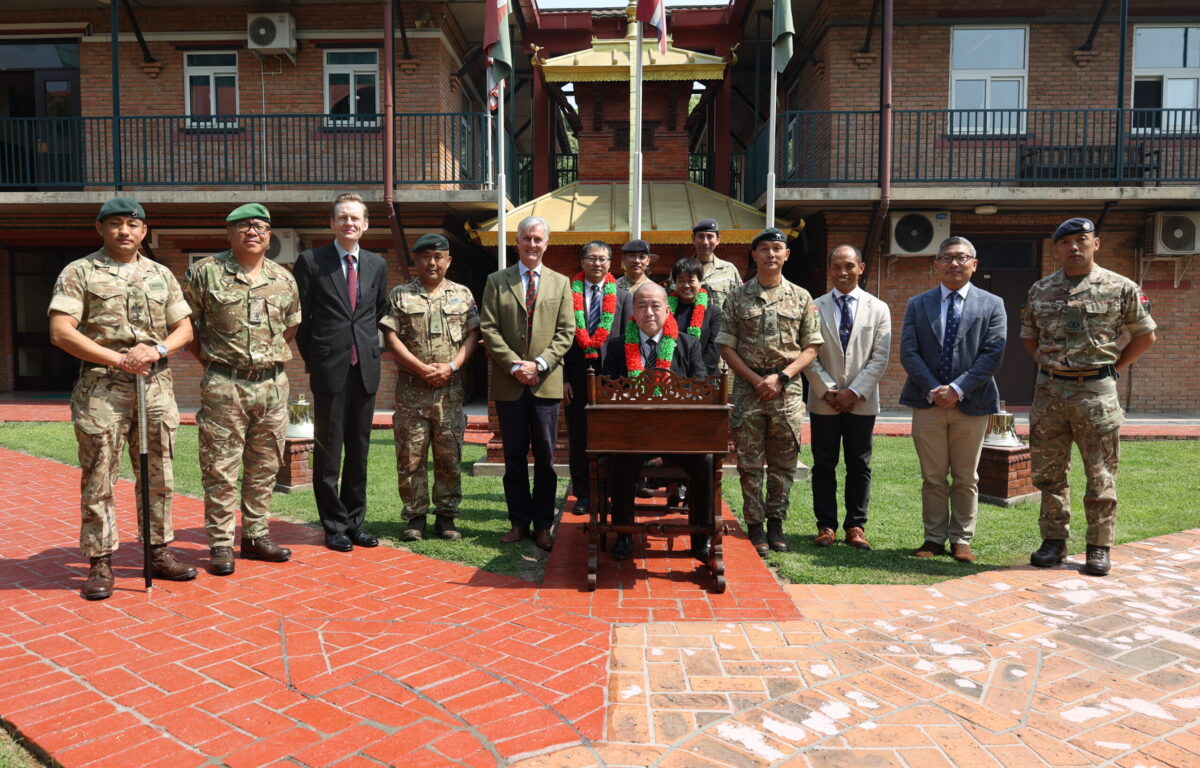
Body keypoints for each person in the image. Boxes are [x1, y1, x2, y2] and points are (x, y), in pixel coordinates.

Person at [48, 197, 197, 599]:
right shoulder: (79, 272)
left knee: (159, 475)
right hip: (102, 388)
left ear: (144, 231)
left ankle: (158, 552)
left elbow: (184, 328)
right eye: (114, 224)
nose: (124, 231)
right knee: (99, 475)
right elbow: (62, 331)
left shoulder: (161, 274)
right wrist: (119, 358)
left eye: (132, 224)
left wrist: (157, 350)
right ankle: (100, 562)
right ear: (100, 228)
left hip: (155, 386)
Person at [1023, 217, 1157, 577]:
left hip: (1096, 393)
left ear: (1096, 243)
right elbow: (1029, 336)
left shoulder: (1121, 287)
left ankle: (1098, 547)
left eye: (1081, 240)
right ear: (1056, 249)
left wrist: (1114, 367)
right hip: (1050, 392)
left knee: (1100, 474)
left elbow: (1145, 336)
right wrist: (1047, 364)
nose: (1074, 247)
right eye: (1065, 242)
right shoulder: (1040, 289)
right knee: (1049, 474)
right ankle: (1054, 541)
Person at [183, 203, 301, 575]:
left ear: (269, 235)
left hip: (271, 384)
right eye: (245, 226)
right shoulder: (205, 273)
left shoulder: (284, 278)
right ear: (229, 232)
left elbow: (290, 327)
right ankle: (220, 543)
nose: (254, 232)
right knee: (220, 467)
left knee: (265, 465)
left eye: (262, 227)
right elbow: (187, 328)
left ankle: (256, 534)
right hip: (224, 385)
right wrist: (216, 365)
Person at [899, 236, 1006, 564]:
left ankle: (961, 538)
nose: (954, 263)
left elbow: (993, 353)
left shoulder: (992, 304)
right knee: (932, 476)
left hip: (972, 404)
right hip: (927, 402)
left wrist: (957, 389)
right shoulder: (918, 304)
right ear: (936, 265)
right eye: (947, 258)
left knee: (966, 476)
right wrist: (935, 388)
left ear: (974, 264)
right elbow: (909, 352)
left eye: (962, 258)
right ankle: (933, 537)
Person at [717, 228, 823, 557]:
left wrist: (781, 377)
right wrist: (755, 379)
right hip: (750, 390)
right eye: (764, 249)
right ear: (754, 255)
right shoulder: (737, 297)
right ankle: (755, 526)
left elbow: (811, 347)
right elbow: (726, 346)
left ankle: (776, 525)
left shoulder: (802, 297)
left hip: (787, 391)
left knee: (783, 463)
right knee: (749, 464)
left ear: (786, 255)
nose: (771, 254)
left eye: (778, 248)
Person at [293, 193, 389, 552]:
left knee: (359, 450)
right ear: (332, 223)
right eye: (343, 218)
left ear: (366, 224)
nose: (350, 223)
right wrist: (315, 359)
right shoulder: (311, 260)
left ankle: (355, 523)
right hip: (329, 368)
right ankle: (333, 525)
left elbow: (376, 313)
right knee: (329, 449)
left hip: (364, 367)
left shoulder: (377, 264)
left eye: (356, 218)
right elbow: (301, 319)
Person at [479, 216, 575, 551]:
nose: (532, 245)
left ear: (546, 243)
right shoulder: (496, 281)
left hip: (545, 383)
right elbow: (488, 329)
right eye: (526, 239)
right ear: (517, 242)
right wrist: (514, 365)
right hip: (510, 383)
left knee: (546, 459)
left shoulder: (560, 283)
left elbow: (567, 332)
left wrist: (540, 363)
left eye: (538, 239)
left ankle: (543, 524)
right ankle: (519, 522)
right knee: (514, 457)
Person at [600, 282, 712, 562]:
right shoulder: (615, 346)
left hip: (677, 435)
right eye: (642, 305)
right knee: (619, 460)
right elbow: (607, 389)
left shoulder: (688, 344)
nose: (649, 312)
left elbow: (700, 387)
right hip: (633, 435)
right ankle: (624, 531)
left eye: (655, 306)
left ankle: (702, 535)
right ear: (633, 312)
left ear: (667, 309)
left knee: (707, 461)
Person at [380, 234, 480, 542]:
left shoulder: (463, 295)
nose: (432, 262)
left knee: (449, 455)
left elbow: (473, 335)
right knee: (411, 455)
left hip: (449, 390)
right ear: (417, 261)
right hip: (412, 390)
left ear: (449, 261)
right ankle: (415, 517)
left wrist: (451, 367)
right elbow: (391, 337)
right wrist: (421, 368)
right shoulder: (400, 294)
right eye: (425, 257)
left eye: (438, 257)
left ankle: (446, 517)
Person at [804, 245, 892, 550]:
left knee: (859, 464)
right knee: (823, 464)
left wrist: (854, 391)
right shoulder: (814, 306)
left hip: (862, 401)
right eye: (837, 267)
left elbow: (880, 357)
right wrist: (829, 389)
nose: (843, 272)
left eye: (849, 266)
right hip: (823, 401)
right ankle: (825, 525)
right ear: (829, 270)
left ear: (861, 268)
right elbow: (808, 353)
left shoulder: (879, 308)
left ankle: (856, 525)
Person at [563, 241, 632, 515]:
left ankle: (610, 491)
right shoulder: (567, 295)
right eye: (591, 258)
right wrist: (563, 378)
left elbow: (628, 341)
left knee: (612, 436)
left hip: (611, 378)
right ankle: (583, 494)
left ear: (611, 263)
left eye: (603, 259)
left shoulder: (624, 297)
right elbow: (561, 339)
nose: (597, 264)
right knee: (579, 437)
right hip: (577, 376)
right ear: (582, 262)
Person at [669, 257, 723, 376]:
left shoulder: (713, 312)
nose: (686, 285)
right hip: (671, 377)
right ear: (675, 283)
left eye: (691, 281)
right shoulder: (666, 311)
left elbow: (713, 349)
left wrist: (698, 376)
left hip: (704, 377)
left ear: (700, 282)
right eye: (681, 281)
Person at [685, 218, 743, 314]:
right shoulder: (682, 269)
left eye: (710, 237)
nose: (705, 242)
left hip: (721, 327)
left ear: (718, 239)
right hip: (688, 327)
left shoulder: (729, 270)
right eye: (701, 236)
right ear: (693, 239)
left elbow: (740, 303)